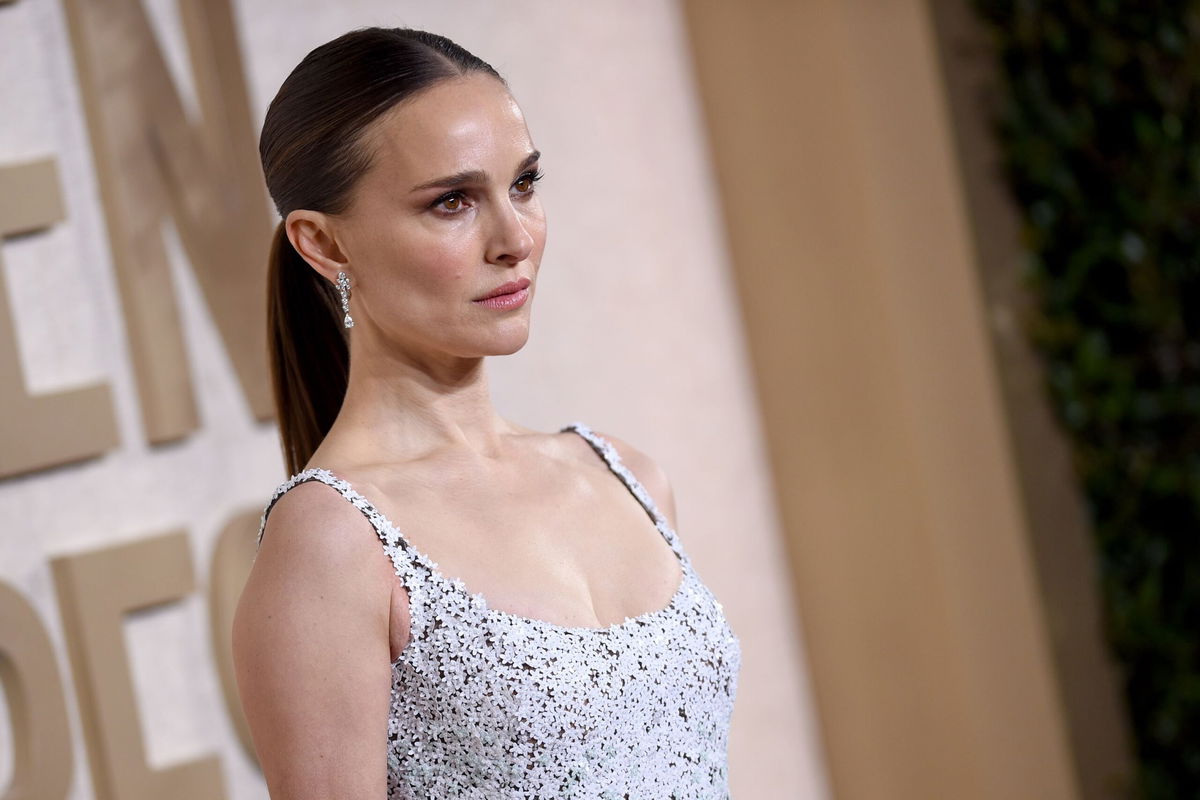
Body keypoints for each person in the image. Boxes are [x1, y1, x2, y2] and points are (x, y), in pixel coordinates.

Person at [232, 26, 741, 799]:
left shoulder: (625, 475)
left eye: (525, 184)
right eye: (452, 202)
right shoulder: (333, 541)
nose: (515, 238)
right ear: (323, 244)